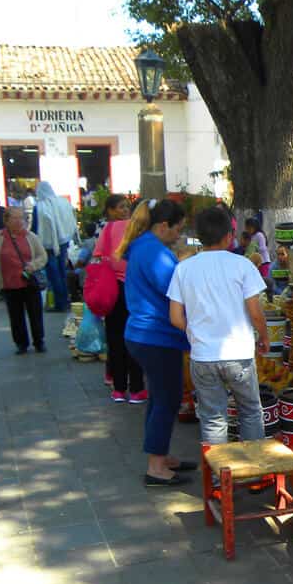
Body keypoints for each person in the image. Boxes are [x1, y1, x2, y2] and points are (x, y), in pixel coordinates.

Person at [168, 206, 268, 445]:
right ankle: (255, 471)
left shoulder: (183, 269)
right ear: (229, 236)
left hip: (202, 356)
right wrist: (263, 336)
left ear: (200, 237)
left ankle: (218, 477)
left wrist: (194, 332)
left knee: (213, 419)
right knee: (251, 412)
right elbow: (255, 313)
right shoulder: (243, 265)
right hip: (239, 355)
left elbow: (175, 318)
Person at [118, 199, 196, 486]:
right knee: (167, 399)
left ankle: (161, 455)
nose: (179, 235)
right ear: (163, 226)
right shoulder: (153, 252)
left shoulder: (144, 246)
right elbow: (177, 289)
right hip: (156, 336)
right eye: (178, 229)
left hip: (144, 335)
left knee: (160, 398)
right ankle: (156, 468)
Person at [95, 203, 146, 402]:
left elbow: (98, 255)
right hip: (134, 287)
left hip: (111, 289)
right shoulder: (140, 230)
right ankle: (136, 389)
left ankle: (118, 389)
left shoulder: (108, 228)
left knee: (115, 339)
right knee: (134, 337)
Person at [0, 207, 48, 354]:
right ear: (6, 221)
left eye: (22, 218)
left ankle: (39, 341)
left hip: (29, 281)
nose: (19, 222)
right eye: (15, 218)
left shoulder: (31, 237)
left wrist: (33, 265)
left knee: (35, 313)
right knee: (15, 315)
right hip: (9, 283)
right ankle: (21, 343)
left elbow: (42, 256)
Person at [31, 182, 76, 313]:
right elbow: (70, 219)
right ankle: (65, 300)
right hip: (62, 242)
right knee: (62, 271)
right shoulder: (62, 203)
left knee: (53, 273)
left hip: (47, 245)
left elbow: (35, 228)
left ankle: (59, 302)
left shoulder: (39, 208)